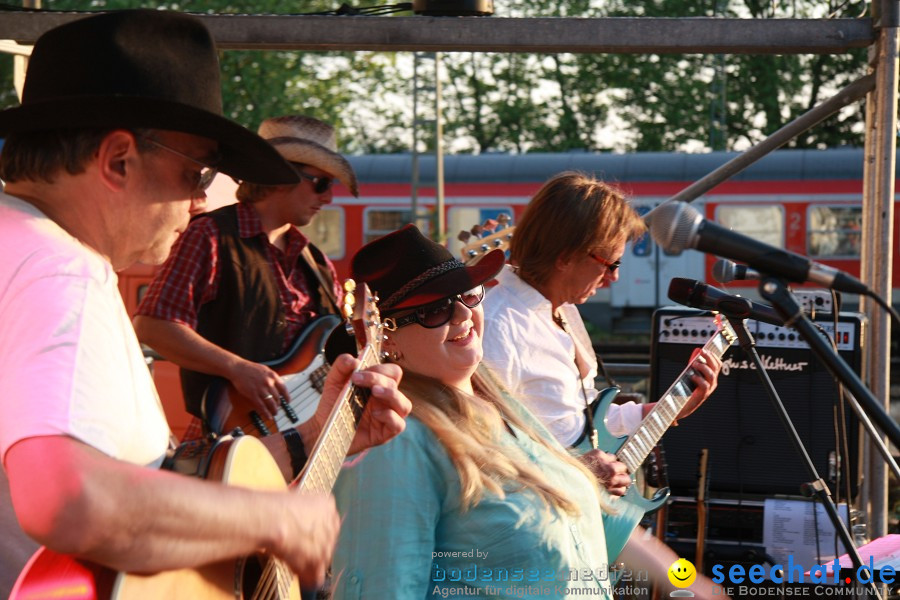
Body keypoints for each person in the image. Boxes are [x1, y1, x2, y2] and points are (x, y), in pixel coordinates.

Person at [0, 10, 409, 597]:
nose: (200, 201)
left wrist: (321, 431)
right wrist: (275, 519)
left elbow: (151, 485)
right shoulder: (59, 269)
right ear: (118, 160)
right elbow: (66, 497)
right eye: (196, 173)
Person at [330, 224, 726, 600]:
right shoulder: (394, 442)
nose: (464, 315)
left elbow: (594, 522)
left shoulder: (502, 404)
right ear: (386, 339)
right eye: (434, 310)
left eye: (468, 295)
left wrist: (691, 584)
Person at [481, 172, 721, 495]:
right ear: (565, 256)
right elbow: (479, 446)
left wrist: (674, 407)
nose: (614, 278)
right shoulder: (498, 325)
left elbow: (588, 423)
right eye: (610, 263)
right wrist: (575, 469)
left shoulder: (562, 311)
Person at [134, 114, 357, 424]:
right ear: (283, 176)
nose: (329, 197)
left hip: (305, 437)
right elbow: (153, 325)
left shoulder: (316, 262)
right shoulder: (211, 235)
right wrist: (235, 368)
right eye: (320, 183)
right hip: (232, 437)